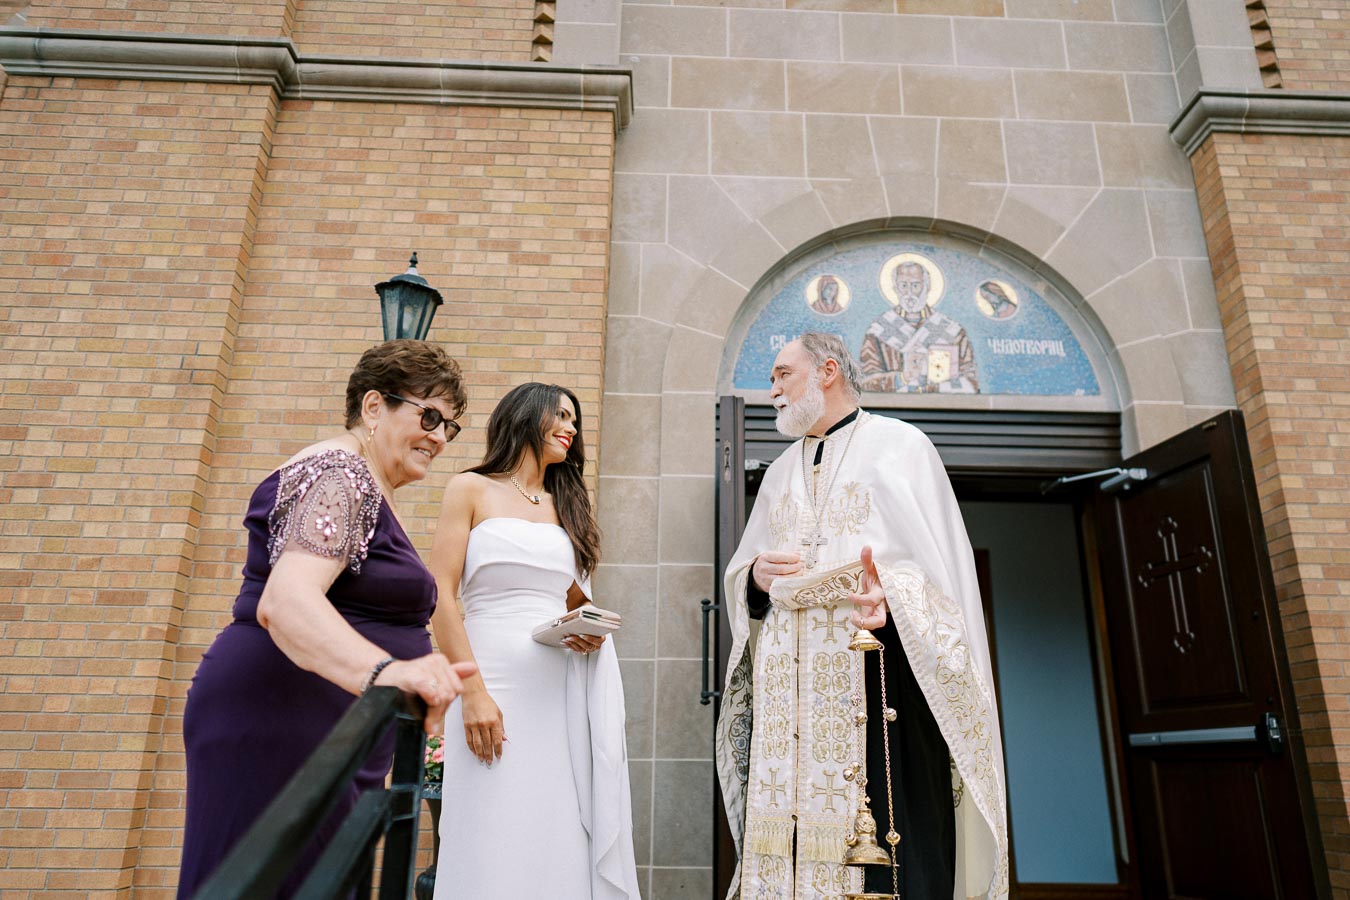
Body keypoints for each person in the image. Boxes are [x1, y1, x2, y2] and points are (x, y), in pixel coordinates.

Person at [177, 340, 479, 897]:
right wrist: (389, 673)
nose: (439, 436)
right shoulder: (339, 475)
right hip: (282, 719)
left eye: (450, 427)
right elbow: (287, 602)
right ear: (372, 407)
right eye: (429, 415)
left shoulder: (360, 480)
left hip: (321, 724)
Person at [714, 333, 1008, 899]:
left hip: (877, 677)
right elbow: (746, 576)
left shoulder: (902, 447)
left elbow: (943, 577)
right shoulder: (779, 472)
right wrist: (754, 579)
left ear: (827, 371)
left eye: (781, 375)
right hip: (792, 705)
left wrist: (891, 600)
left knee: (890, 843)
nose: (771, 390)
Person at [429, 383, 639, 900]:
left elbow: (571, 599)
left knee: (556, 827)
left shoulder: (564, 505)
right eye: (561, 416)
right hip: (488, 681)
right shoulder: (470, 490)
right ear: (526, 415)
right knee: (488, 822)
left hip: (558, 693)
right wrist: (473, 693)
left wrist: (585, 630)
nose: (571, 428)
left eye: (576, 421)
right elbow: (440, 596)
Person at [860, 260, 979, 393]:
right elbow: (864, 384)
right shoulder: (878, 330)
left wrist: (935, 387)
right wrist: (902, 378)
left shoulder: (951, 330)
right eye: (904, 285)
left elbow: (971, 381)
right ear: (895, 288)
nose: (909, 293)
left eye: (915, 285)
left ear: (927, 287)